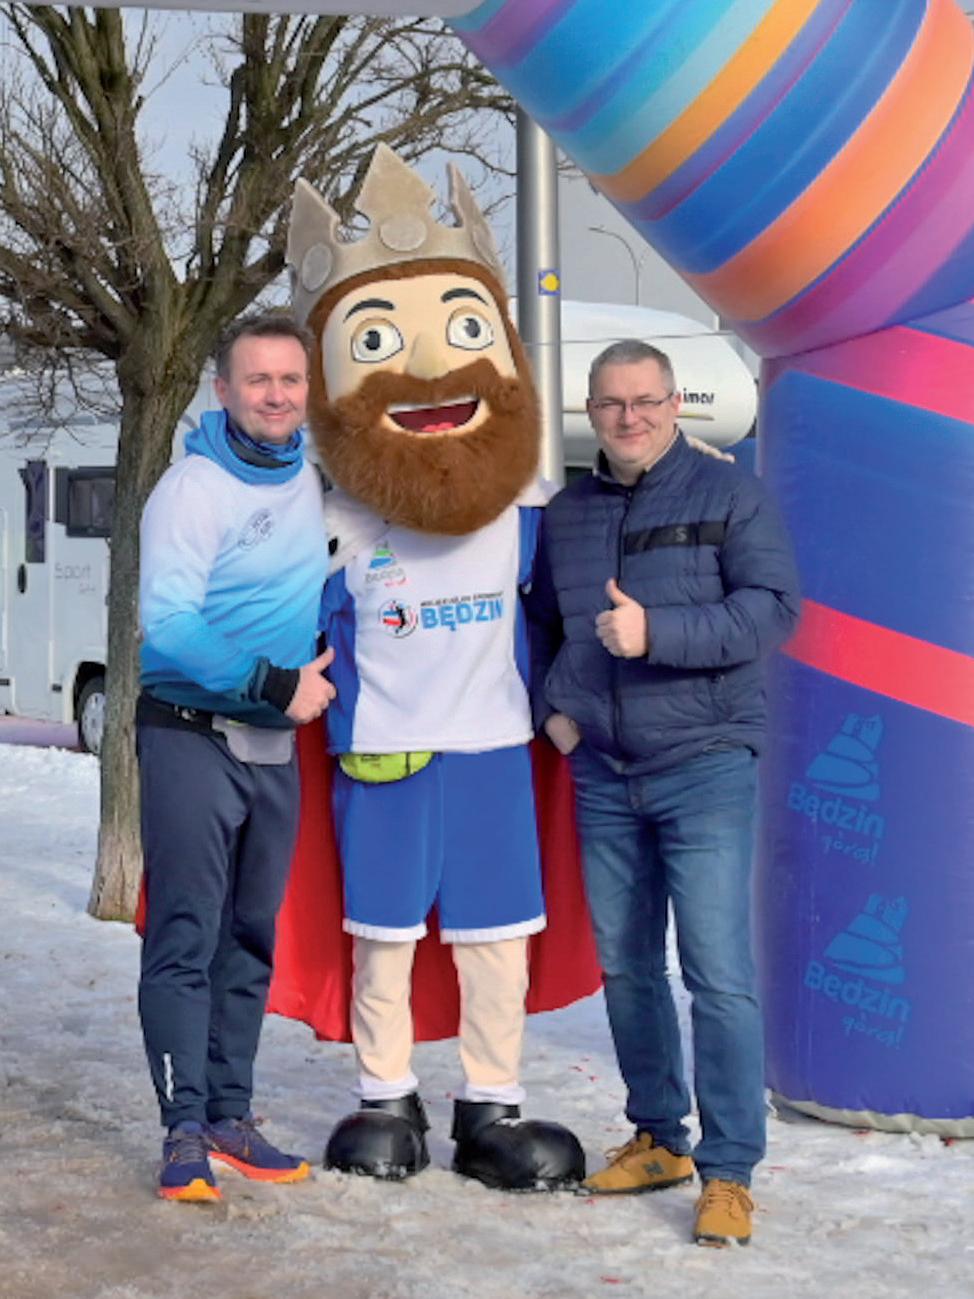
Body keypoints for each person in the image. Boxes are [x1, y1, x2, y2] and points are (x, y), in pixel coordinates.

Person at [273, 144, 592, 1191]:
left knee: (497, 942)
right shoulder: (331, 523)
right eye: (376, 342)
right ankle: (386, 1094)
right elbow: (274, 624)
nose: (427, 369)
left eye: (463, 331)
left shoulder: (525, 517)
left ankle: (491, 1100)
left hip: (493, 752)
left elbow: (570, 613)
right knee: (384, 938)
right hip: (384, 756)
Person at [530, 339, 800, 1246]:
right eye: (612, 403)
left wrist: (658, 633)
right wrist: (553, 712)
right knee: (628, 966)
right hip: (604, 769)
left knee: (717, 974)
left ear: (674, 403)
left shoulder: (730, 493)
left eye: (646, 400)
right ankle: (658, 1136)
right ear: (590, 412)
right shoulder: (567, 513)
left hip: (705, 762)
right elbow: (540, 628)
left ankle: (729, 1172)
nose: (630, 417)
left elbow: (772, 608)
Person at [137, 311, 335, 1203]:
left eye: (290, 380)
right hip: (190, 732)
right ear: (223, 389)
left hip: (272, 745)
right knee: (187, 935)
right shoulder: (193, 487)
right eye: (259, 380)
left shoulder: (311, 478)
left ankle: (229, 1113)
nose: (276, 395)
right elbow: (169, 623)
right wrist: (274, 681)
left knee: (250, 938)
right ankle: (183, 1131)